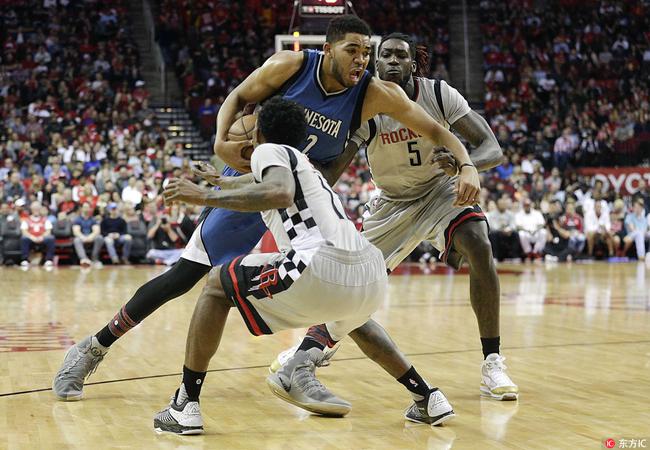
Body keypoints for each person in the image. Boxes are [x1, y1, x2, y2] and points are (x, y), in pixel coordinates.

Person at [53, 17, 479, 422]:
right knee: (186, 276)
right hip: (254, 183)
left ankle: (301, 371)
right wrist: (220, 144)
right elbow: (237, 98)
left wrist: (467, 165)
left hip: (300, 194)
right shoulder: (291, 66)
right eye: (353, 50)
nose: (362, 60)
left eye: (366, 52)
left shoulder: (374, 93)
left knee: (337, 289)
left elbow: (439, 131)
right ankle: (93, 348)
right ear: (328, 49)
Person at [152, 97, 453, 434]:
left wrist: (202, 197)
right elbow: (259, 184)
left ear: (258, 133)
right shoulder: (303, 164)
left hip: (316, 265)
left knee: (215, 286)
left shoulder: (268, 150)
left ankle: (185, 405)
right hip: (370, 275)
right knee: (354, 319)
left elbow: (278, 193)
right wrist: (219, 182)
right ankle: (427, 397)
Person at [270, 33, 517, 406]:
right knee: (350, 285)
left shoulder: (439, 95)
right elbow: (334, 169)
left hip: (439, 192)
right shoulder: (366, 104)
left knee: (479, 244)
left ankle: (492, 362)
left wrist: (464, 164)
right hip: (391, 204)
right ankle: (315, 345)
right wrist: (295, 177)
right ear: (376, 63)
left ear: (413, 64)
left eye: (400, 55)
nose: (392, 61)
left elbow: (491, 147)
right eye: (384, 55)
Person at [19, 201, 55, 268]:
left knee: (51, 238)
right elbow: (24, 231)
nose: (36, 210)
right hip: (31, 238)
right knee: (24, 238)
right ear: (31, 209)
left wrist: (42, 237)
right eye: (34, 208)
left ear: (40, 209)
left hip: (42, 239)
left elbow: (48, 231)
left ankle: (49, 259)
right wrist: (32, 237)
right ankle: (25, 259)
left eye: (37, 208)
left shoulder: (45, 220)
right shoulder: (27, 220)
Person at [487, 194, 520, 261]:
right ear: (497, 205)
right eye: (501, 204)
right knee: (493, 234)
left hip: (508, 232)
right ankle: (495, 256)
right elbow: (492, 226)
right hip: (497, 233)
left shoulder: (510, 214)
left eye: (504, 204)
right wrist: (502, 230)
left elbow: (513, 225)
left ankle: (514, 256)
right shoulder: (492, 214)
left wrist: (509, 229)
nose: (502, 205)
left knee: (516, 234)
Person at [72, 202, 105, 268]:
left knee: (100, 237)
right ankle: (84, 259)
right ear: (81, 208)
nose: (86, 209)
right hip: (81, 237)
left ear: (90, 209)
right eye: (85, 207)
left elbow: (97, 230)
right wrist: (83, 237)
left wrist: (90, 237)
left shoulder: (93, 219)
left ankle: (94, 259)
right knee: (76, 240)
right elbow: (76, 231)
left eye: (88, 207)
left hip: (91, 237)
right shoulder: (77, 220)